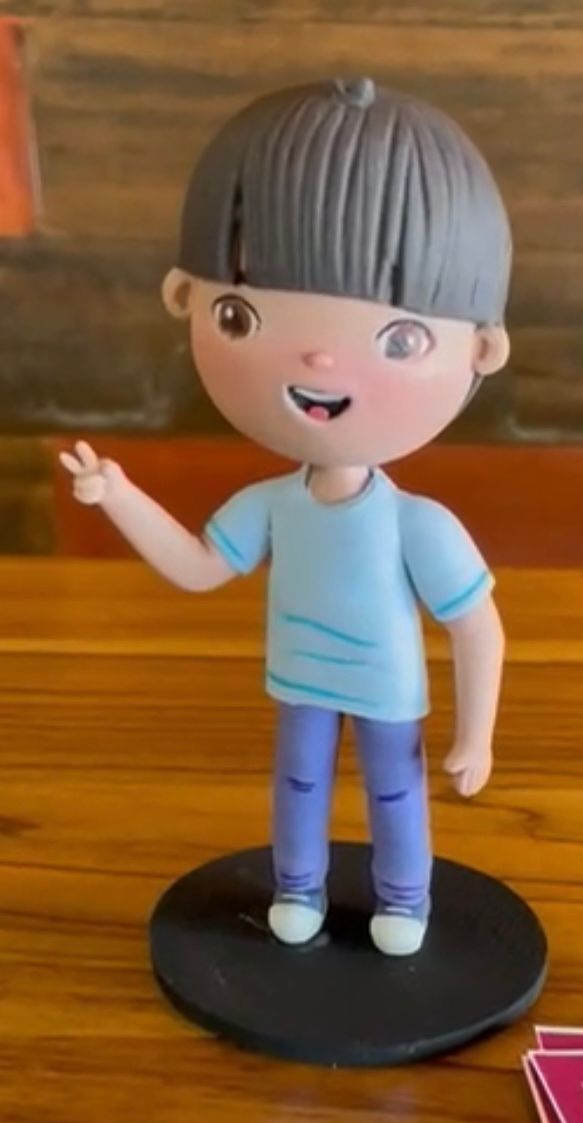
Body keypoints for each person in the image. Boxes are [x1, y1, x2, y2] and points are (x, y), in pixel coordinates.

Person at [61, 77, 510, 957]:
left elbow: (476, 626)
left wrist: (476, 734)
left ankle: (404, 900)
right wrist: (117, 495)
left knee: (395, 793)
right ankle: (296, 885)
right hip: (300, 681)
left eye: (400, 338)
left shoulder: (416, 522)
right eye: (240, 315)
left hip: (387, 693)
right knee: (296, 786)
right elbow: (197, 567)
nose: (317, 360)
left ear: (481, 349)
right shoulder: (271, 505)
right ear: (184, 297)